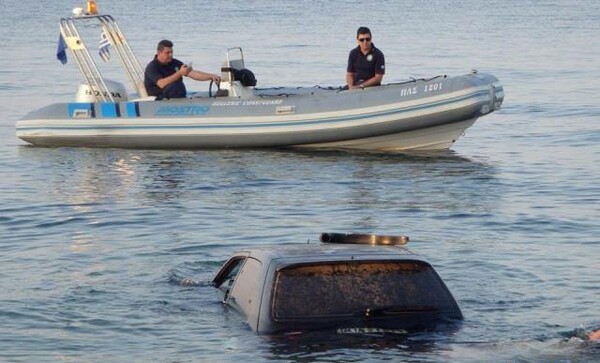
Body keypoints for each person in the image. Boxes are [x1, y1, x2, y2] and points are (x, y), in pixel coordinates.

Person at [144, 39, 221, 99]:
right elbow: (161, 84)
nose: (170, 55)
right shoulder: (152, 67)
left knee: (178, 85)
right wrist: (180, 73)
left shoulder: (174, 62)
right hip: (159, 98)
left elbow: (192, 73)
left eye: (171, 52)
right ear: (159, 53)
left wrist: (211, 76)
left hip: (176, 95)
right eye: (167, 53)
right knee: (175, 86)